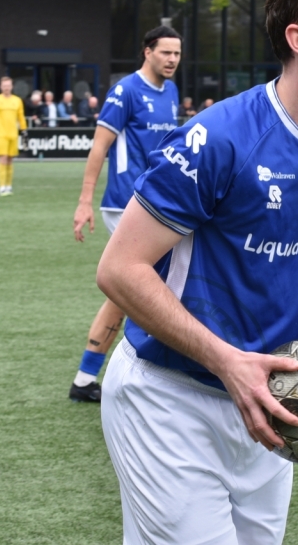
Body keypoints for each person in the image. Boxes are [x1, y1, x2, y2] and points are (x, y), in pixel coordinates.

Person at [96, 0, 298, 544]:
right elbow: (120, 269)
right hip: (170, 399)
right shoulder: (219, 139)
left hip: (275, 403)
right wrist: (228, 362)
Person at [69, 25, 182, 403]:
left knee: (127, 294)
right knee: (153, 290)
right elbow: (99, 148)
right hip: (125, 203)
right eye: (165, 52)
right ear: (147, 52)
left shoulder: (171, 92)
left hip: (157, 202)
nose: (172, 59)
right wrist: (85, 201)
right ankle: (149, 378)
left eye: (177, 53)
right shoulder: (126, 91)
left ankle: (85, 378)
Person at [0, 77, 28, 196]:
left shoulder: (17, 101)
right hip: (1, 135)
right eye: (4, 86)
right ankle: (2, 187)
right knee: (3, 158)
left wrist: (24, 131)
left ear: (12, 86)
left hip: (13, 134)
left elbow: (21, 117)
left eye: (8, 85)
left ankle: (8, 186)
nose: (6, 88)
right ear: (1, 87)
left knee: (10, 160)